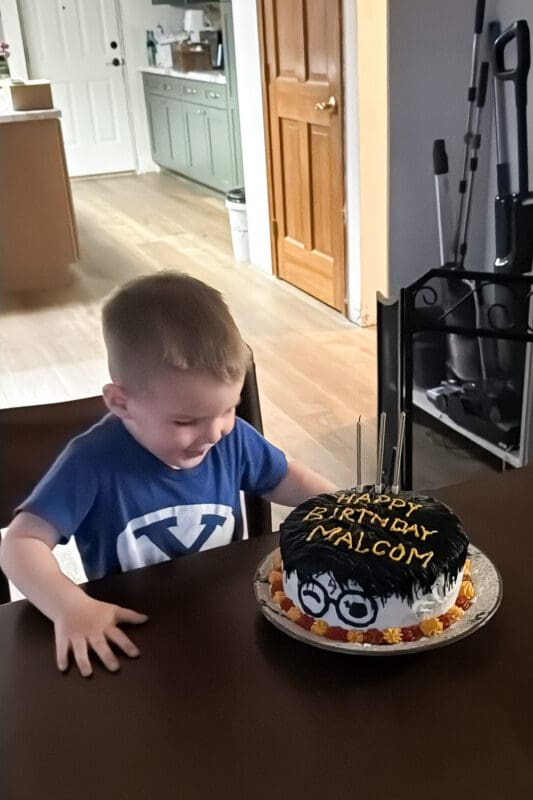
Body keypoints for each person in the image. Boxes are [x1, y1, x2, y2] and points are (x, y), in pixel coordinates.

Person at [0, 272, 336, 677]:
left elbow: (284, 478)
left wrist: (343, 505)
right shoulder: (90, 462)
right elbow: (21, 543)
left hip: (228, 627)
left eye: (228, 409)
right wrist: (69, 605)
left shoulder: (232, 438)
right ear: (121, 403)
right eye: (185, 421)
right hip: (133, 638)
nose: (214, 433)